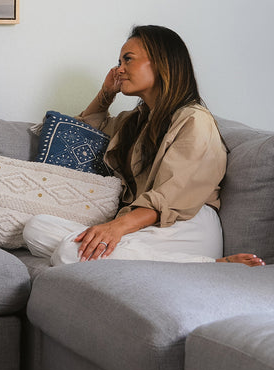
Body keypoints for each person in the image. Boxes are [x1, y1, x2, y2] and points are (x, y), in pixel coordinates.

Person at [23, 24, 265, 267]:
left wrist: (115, 228)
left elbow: (171, 198)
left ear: (162, 63)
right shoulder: (135, 120)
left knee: (68, 252)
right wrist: (107, 93)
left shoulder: (194, 120)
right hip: (142, 226)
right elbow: (84, 131)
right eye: (119, 61)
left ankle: (209, 265)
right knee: (35, 228)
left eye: (128, 59)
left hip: (183, 226)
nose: (120, 69)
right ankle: (173, 263)